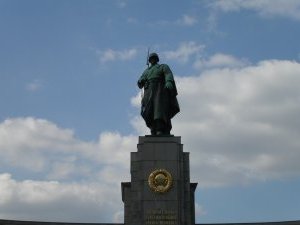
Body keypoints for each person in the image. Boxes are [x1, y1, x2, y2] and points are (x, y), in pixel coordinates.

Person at [137, 52, 180, 135]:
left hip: (159, 90)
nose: (152, 60)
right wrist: (140, 81)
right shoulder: (146, 71)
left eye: (154, 58)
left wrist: (169, 82)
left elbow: (168, 74)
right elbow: (140, 81)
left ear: (157, 59)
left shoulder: (162, 67)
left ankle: (160, 128)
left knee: (159, 110)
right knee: (149, 110)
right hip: (148, 91)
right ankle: (152, 128)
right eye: (151, 59)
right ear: (149, 60)